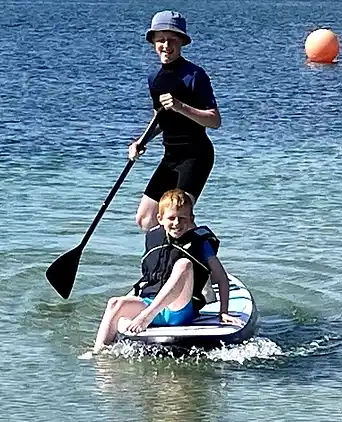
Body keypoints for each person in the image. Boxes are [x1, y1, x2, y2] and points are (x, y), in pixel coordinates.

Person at [91, 189, 243, 354]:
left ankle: (145, 317)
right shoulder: (154, 238)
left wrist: (223, 312)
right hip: (150, 303)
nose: (177, 223)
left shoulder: (201, 243)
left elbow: (221, 277)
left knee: (184, 264)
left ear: (192, 219)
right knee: (114, 303)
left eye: (182, 218)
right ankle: (98, 353)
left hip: (180, 309)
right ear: (160, 219)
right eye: (171, 218)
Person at [129, 10, 221, 231]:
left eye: (172, 40)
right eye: (160, 40)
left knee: (179, 218)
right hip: (171, 156)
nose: (166, 45)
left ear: (182, 42)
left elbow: (214, 120)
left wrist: (181, 107)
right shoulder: (155, 79)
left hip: (196, 156)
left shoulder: (195, 76)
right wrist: (140, 142)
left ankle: (199, 260)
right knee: (146, 219)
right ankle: (163, 262)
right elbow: (160, 119)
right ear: (153, 42)